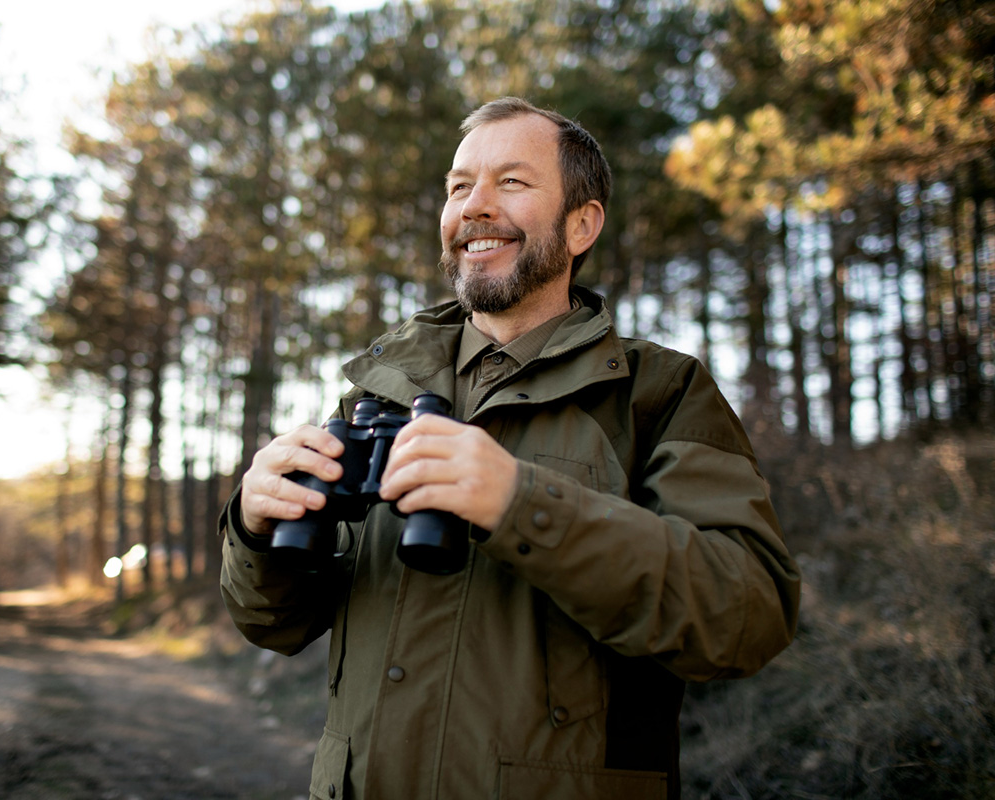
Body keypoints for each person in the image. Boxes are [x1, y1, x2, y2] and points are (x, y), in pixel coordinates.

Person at [219, 96, 801, 800]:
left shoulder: (659, 392)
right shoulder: (378, 391)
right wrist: (253, 527)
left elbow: (748, 617)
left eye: (512, 183)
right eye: (459, 186)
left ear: (581, 224)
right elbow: (276, 625)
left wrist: (523, 505)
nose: (475, 206)